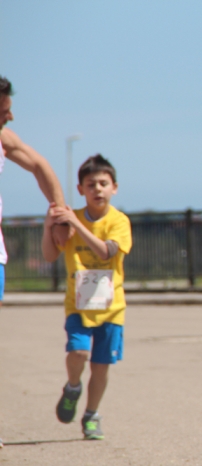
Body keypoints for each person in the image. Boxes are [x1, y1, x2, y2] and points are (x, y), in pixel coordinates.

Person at [0, 75, 70, 449]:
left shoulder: (3, 139)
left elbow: (41, 166)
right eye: (3, 112)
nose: (9, 119)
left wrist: (59, 213)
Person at [42, 154, 132, 441]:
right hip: (78, 305)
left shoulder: (119, 221)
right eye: (91, 184)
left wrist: (77, 226)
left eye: (104, 184)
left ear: (114, 187)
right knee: (79, 353)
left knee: (101, 365)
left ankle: (91, 414)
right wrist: (49, 227)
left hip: (111, 307)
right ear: (80, 189)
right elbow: (49, 254)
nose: (98, 189)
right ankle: (72, 387)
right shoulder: (70, 220)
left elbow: (106, 252)